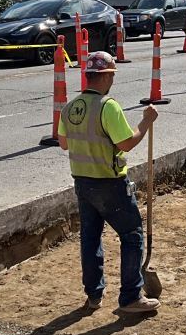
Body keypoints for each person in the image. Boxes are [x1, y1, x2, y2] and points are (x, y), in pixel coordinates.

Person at [58, 51, 160, 314]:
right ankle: (130, 297)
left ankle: (94, 295)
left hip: (82, 182)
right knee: (132, 235)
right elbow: (126, 143)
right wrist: (146, 122)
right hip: (110, 184)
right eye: (112, 75)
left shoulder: (70, 107)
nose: (113, 80)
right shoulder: (107, 106)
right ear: (106, 76)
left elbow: (64, 143)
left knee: (90, 238)